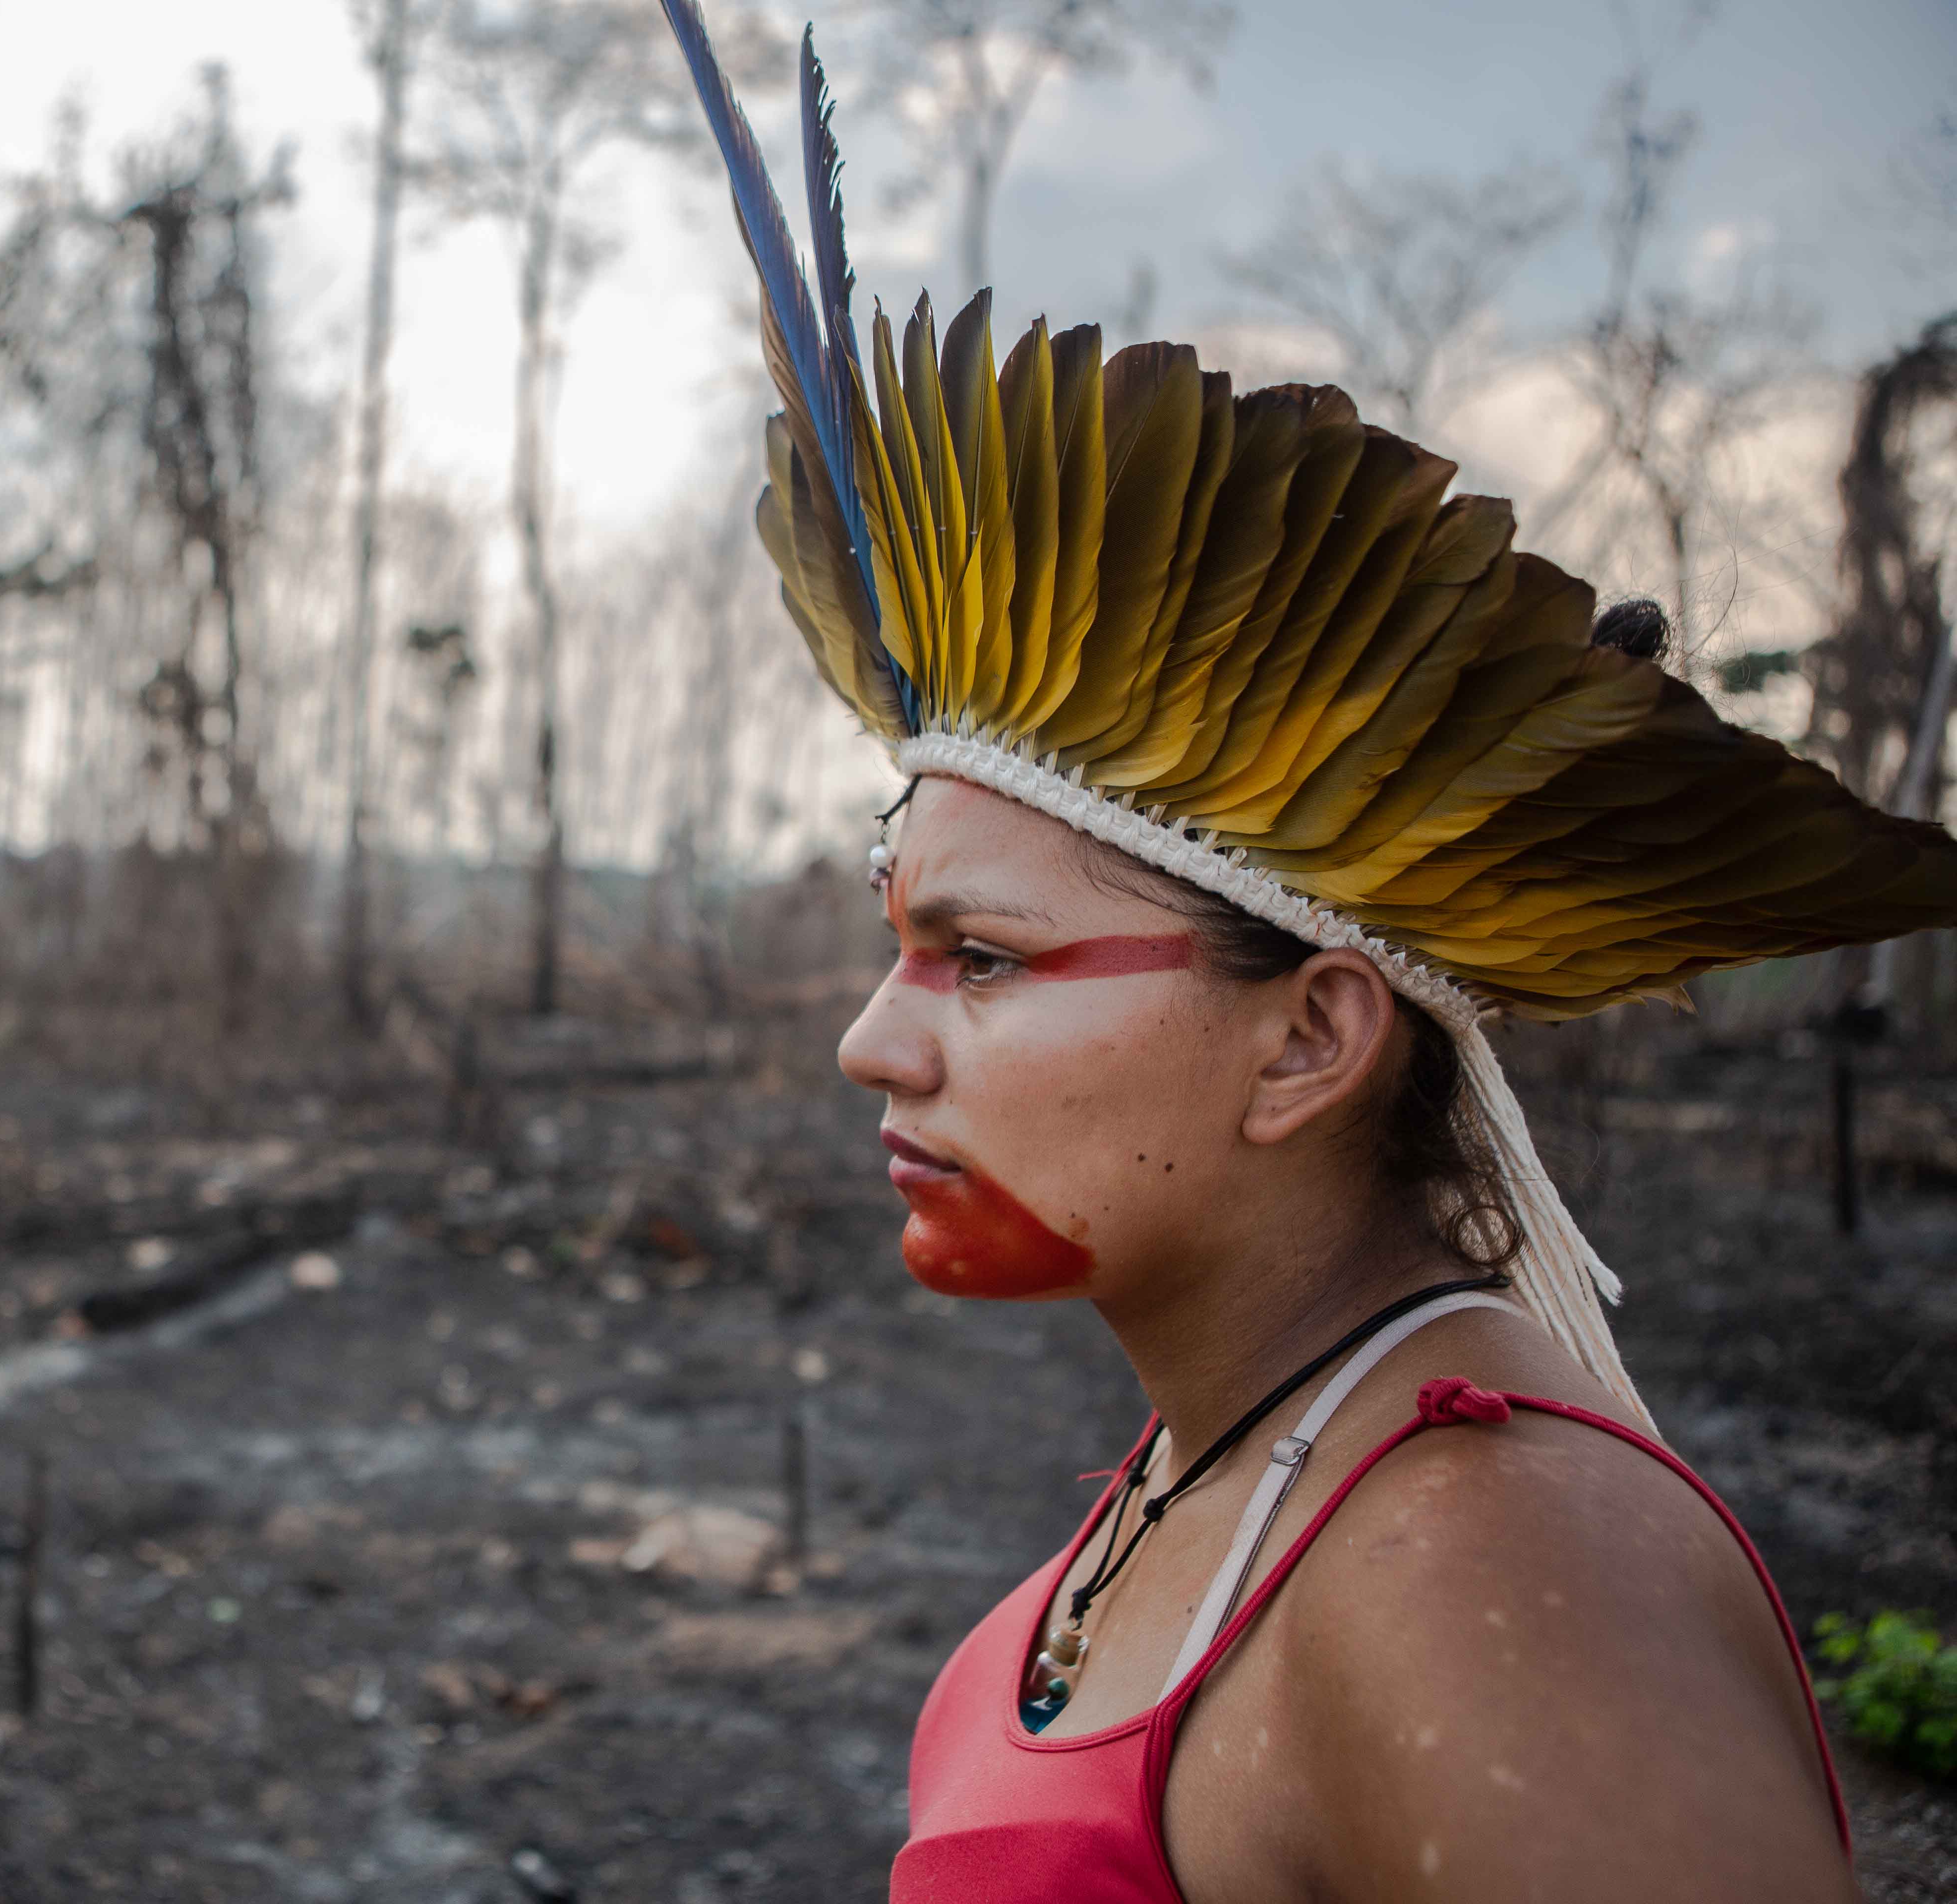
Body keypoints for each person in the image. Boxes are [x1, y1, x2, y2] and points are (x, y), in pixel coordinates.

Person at [652, 3, 1957, 1897]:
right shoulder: (1246, 1447)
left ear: (1309, 1040)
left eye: (985, 960)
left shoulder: (1493, 1569)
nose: (872, 1041)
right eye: (900, 947)